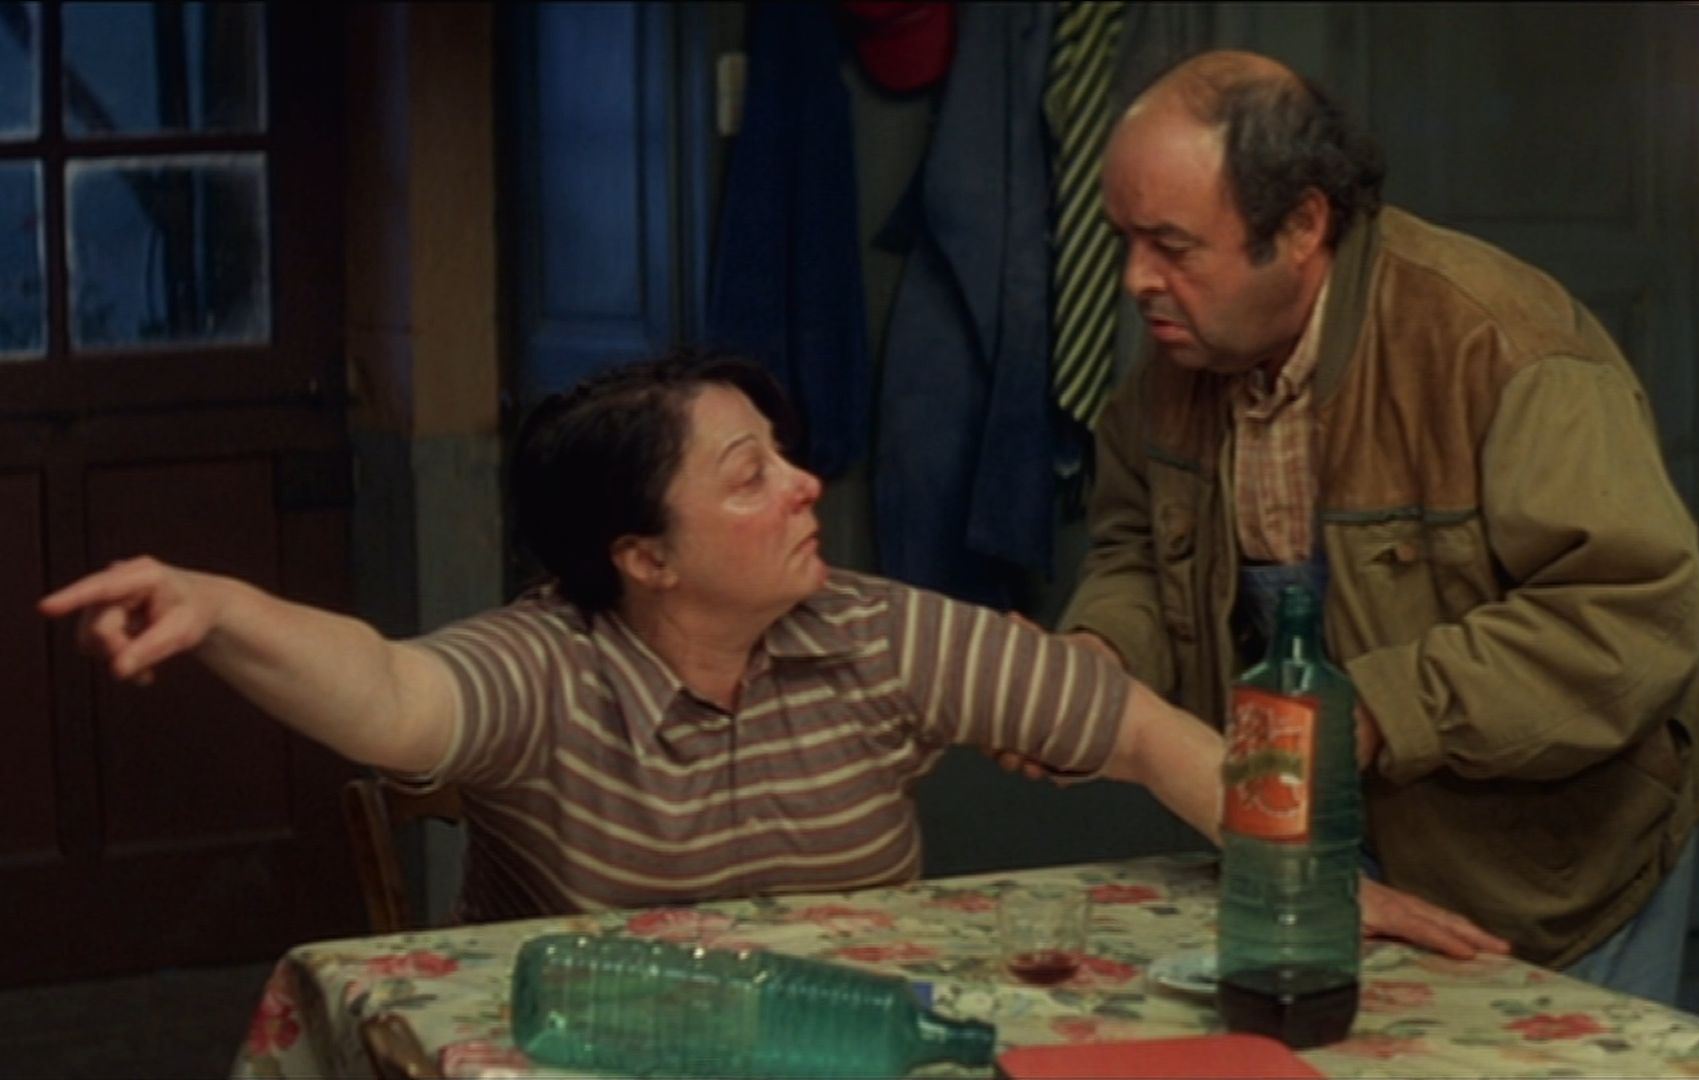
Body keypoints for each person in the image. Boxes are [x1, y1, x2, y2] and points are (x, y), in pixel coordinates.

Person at [40, 349, 1504, 958]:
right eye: (750, 476)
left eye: (785, 455)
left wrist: (1311, 881)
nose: (805, 487)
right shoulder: (551, 666)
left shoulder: (868, 628)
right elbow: (387, 692)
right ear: (643, 557)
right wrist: (223, 607)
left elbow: (1134, 727)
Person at [1051, 51, 1699, 1001]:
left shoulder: (1504, 348)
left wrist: (1375, 710)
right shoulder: (1179, 366)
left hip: (1545, 876)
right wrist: (1103, 650)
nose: (1135, 280)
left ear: (1302, 225)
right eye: (1124, 240)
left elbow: (1630, 618)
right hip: (1312, 857)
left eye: (1173, 246)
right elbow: (1137, 553)